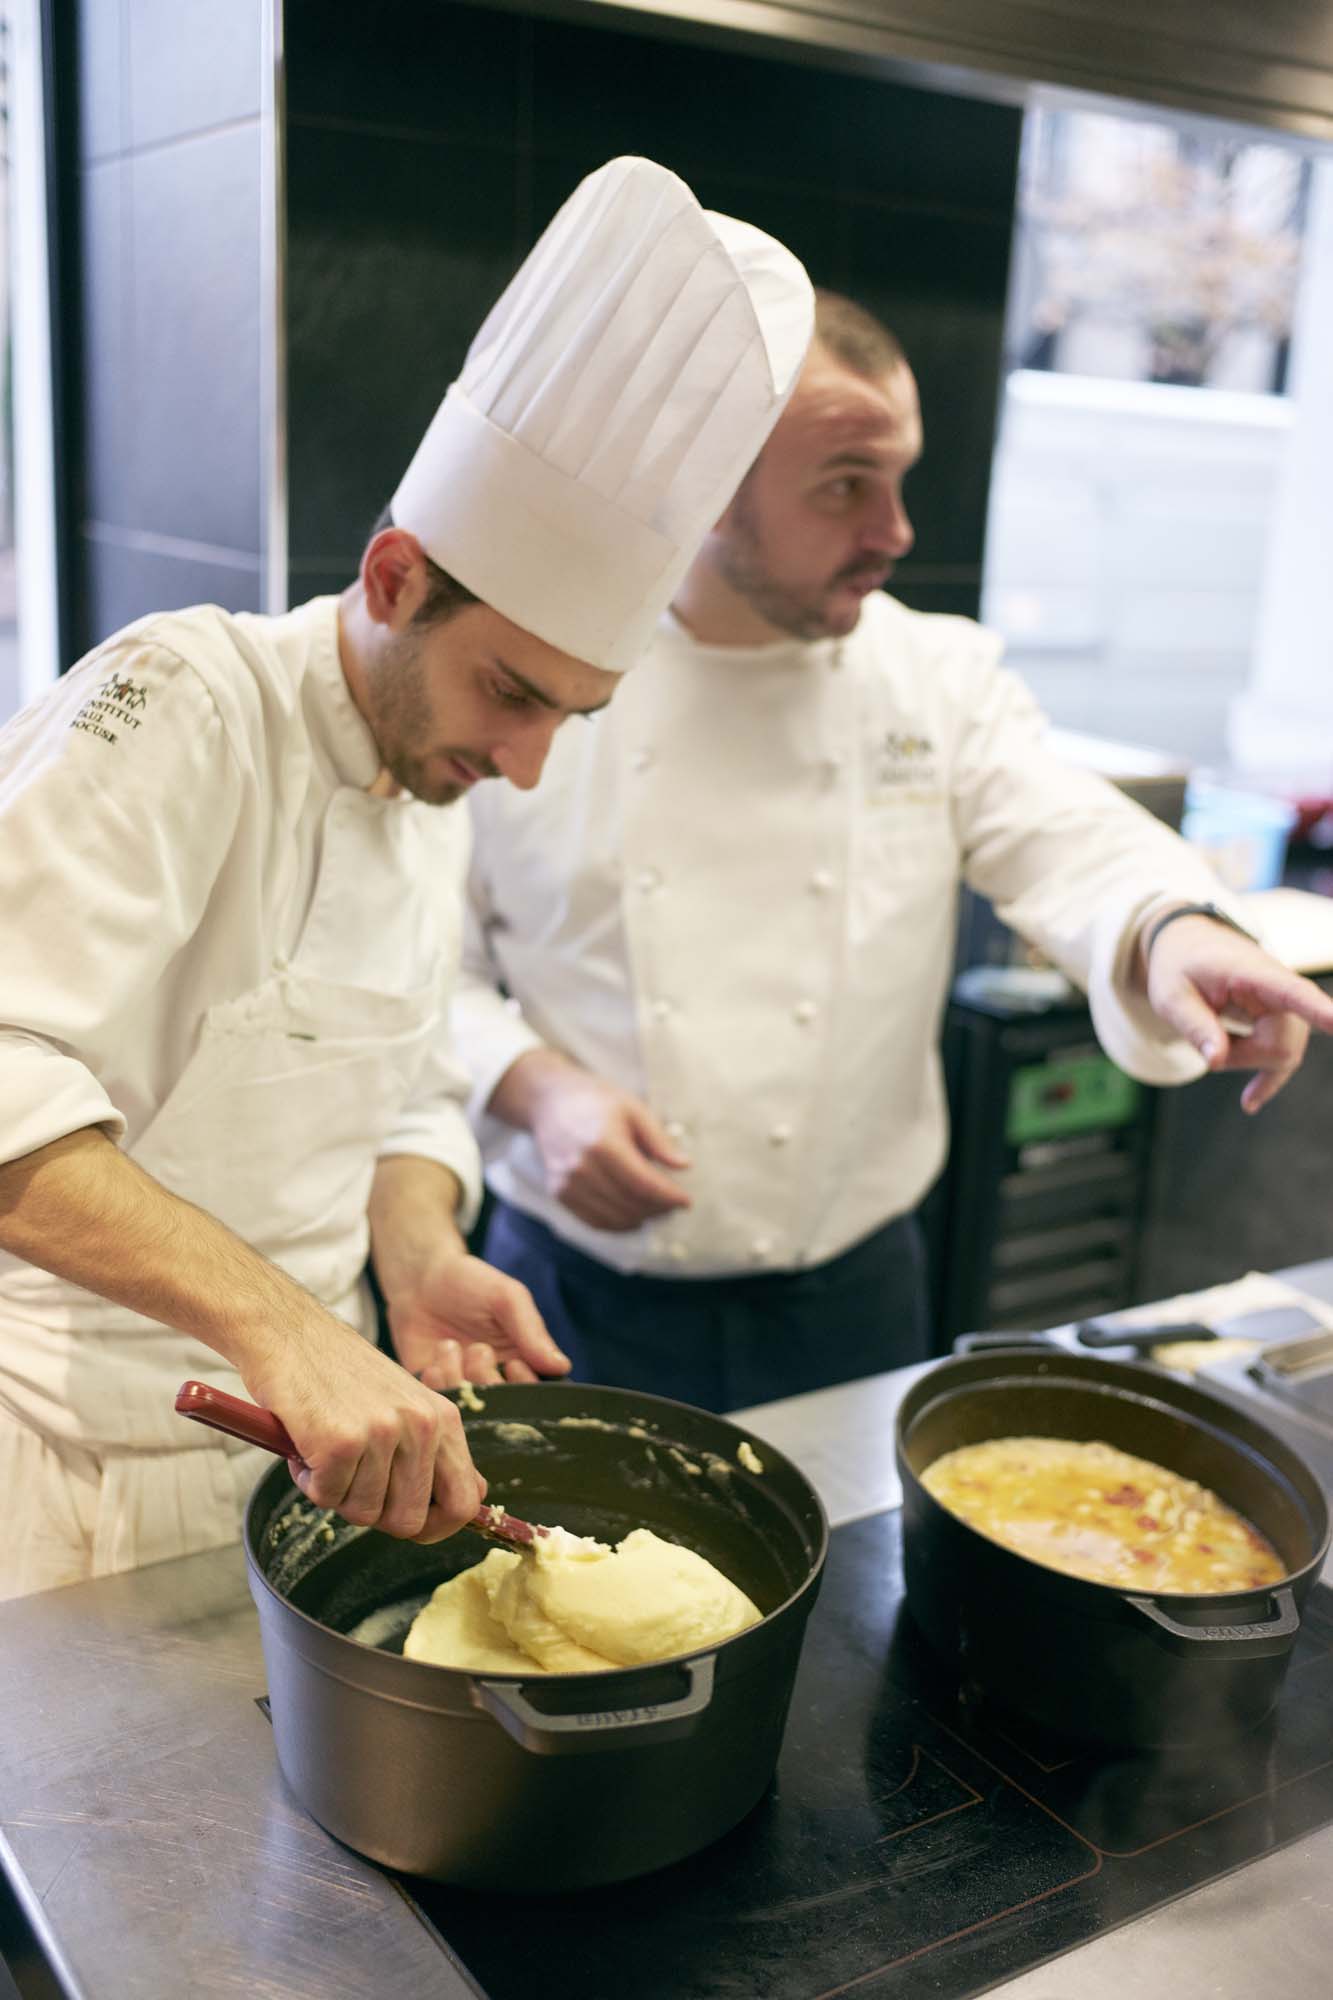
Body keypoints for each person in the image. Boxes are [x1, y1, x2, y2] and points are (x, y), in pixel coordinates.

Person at [0, 157, 815, 1598]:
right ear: (391, 579)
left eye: (571, 712)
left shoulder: (429, 763)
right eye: (511, 690)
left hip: (299, 1463)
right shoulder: (184, 699)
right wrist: (290, 1328)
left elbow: (397, 1076)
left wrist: (420, 1251)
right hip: (69, 1487)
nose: (524, 762)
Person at [456, 290, 1333, 1414]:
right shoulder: (536, 683)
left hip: (856, 1299)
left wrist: (1173, 927)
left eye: (898, 477)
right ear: (707, 493)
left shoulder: (934, 678)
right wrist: (529, 1087)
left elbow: (1062, 827)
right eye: (844, 485)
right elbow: (414, 965)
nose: (895, 530)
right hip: (570, 1297)